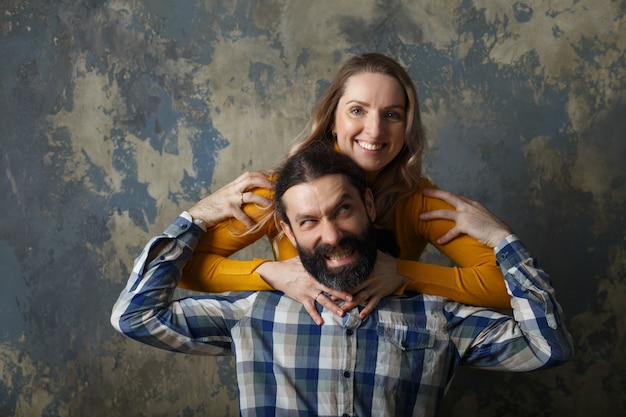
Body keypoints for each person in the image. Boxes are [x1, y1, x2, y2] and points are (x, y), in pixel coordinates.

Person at [111, 144, 573, 417]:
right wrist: (195, 218)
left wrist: (501, 239)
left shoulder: (435, 317)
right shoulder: (253, 314)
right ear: (287, 232)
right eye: (309, 221)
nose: (331, 235)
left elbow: (548, 347)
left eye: (343, 210)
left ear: (369, 207)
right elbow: (135, 315)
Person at [178, 53, 512, 325]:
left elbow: (512, 288)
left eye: (392, 115)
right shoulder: (283, 192)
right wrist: (270, 273)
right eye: (357, 111)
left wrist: (402, 273)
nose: (375, 129)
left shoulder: (417, 202)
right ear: (332, 121)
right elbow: (178, 268)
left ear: (407, 128)